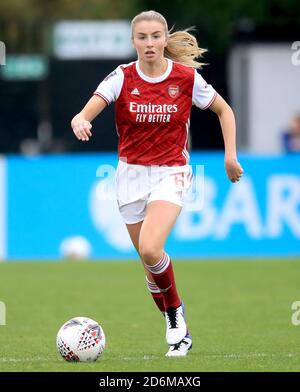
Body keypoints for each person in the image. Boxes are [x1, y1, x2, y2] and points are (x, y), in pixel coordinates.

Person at [71, 10, 244, 357]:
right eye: (142, 37)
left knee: (151, 248)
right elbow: (90, 108)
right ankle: (180, 334)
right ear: (133, 41)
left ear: (165, 39)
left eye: (155, 36)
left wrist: (230, 156)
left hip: (171, 172)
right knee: (150, 267)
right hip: (129, 176)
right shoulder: (122, 77)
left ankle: (175, 312)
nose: (149, 43)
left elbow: (224, 110)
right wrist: (80, 118)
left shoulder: (186, 78)